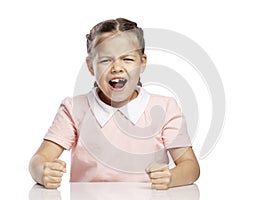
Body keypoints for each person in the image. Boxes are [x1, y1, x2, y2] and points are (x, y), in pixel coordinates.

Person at [29, 18, 200, 190]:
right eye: (105, 60)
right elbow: (40, 158)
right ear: (90, 66)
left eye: (127, 59)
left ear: (142, 63)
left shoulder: (165, 108)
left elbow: (190, 167)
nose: (117, 67)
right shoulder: (74, 109)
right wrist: (42, 171)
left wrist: (170, 177)